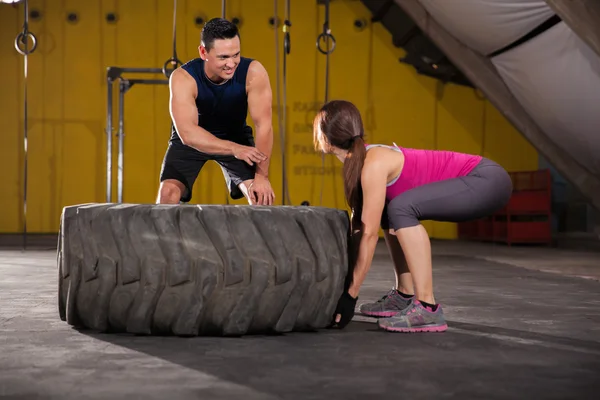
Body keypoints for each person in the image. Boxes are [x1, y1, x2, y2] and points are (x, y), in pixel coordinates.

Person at [314, 100, 513, 333]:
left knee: (400, 207)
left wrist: (351, 296)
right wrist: (344, 284)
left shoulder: (373, 163)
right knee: (391, 209)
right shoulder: (360, 163)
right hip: (485, 181)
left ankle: (427, 308)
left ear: (324, 138)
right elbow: (360, 228)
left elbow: (369, 235)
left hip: (487, 180)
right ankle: (403, 294)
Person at [157, 18, 275, 206]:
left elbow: (264, 126)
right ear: (204, 52)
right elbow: (188, 134)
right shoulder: (183, 78)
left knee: (260, 196)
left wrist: (262, 176)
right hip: (193, 139)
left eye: (235, 55)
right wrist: (234, 149)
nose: (231, 63)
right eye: (223, 57)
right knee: (167, 194)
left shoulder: (254, 73)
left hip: (235, 136)